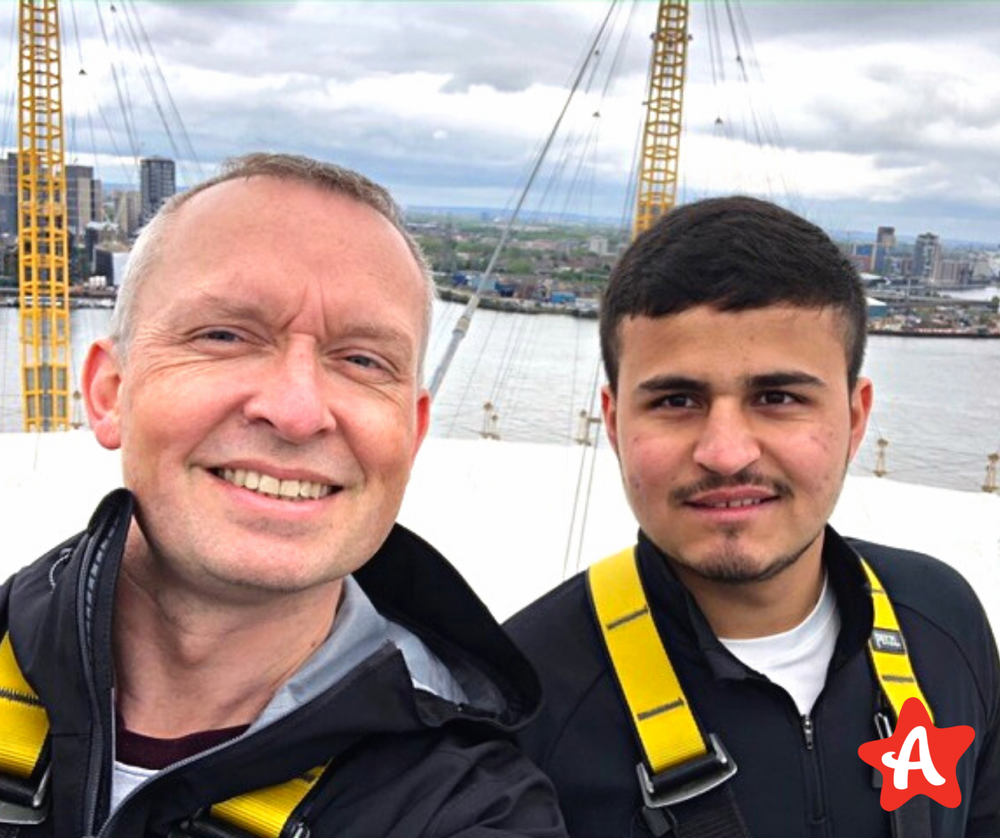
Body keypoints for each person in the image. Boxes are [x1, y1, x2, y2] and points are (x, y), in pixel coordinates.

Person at [0, 153, 567, 837]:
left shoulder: (470, 811)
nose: (297, 411)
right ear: (109, 393)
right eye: (225, 336)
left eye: (362, 360)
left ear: (412, 434)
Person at [507, 196, 1000, 837]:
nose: (726, 453)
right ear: (614, 422)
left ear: (855, 419)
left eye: (777, 396)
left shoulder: (943, 620)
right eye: (676, 400)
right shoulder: (525, 706)